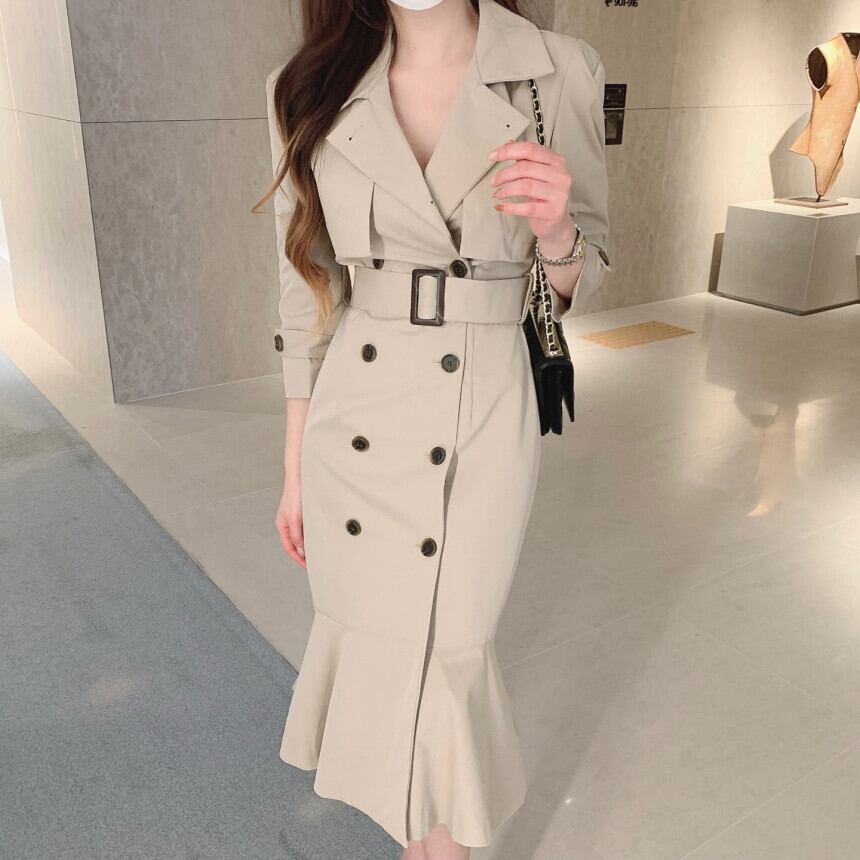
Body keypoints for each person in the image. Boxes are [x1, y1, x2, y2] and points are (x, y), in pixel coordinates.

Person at [255, 0, 611, 857]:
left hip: (482, 407)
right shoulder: (306, 85)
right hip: (356, 417)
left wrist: (557, 227)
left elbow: (582, 274)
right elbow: (304, 290)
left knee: (452, 652)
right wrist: (296, 468)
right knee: (382, 651)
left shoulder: (557, 68)